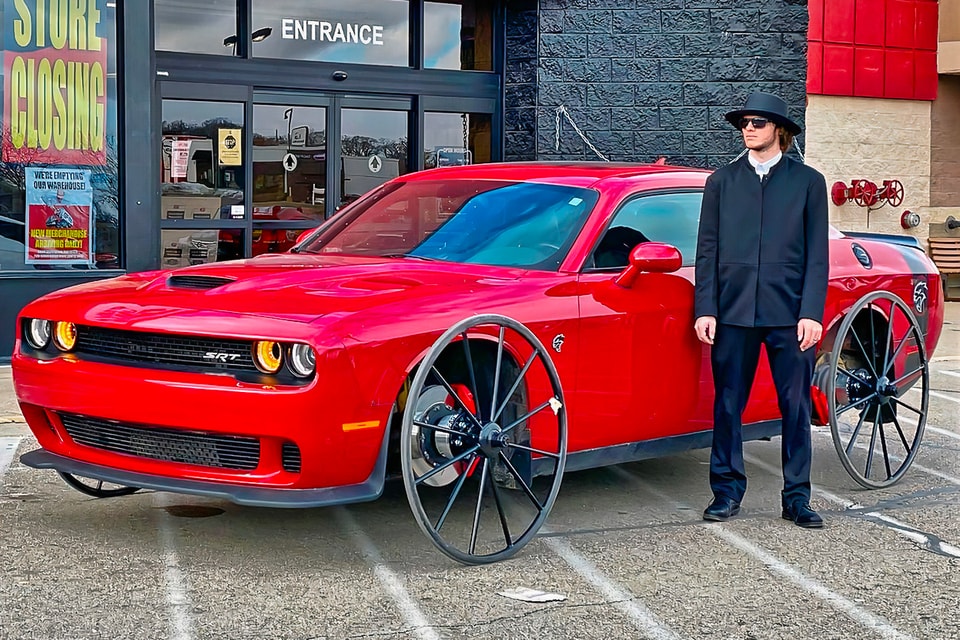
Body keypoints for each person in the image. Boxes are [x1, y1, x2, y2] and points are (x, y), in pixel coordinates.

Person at [693, 92, 829, 528]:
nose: (748, 128)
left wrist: (811, 311)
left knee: (795, 406)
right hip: (732, 313)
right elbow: (707, 250)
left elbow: (817, 256)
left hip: (789, 314)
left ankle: (797, 498)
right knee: (728, 404)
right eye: (744, 123)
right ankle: (726, 492)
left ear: (779, 130)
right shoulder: (722, 182)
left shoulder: (808, 182)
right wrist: (705, 307)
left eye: (757, 122)